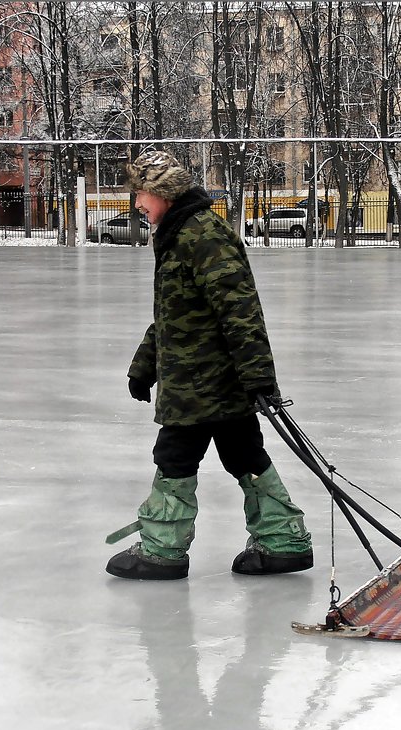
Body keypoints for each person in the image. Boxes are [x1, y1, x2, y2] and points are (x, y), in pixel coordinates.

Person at [105, 150, 313, 581]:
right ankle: (282, 541)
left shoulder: (203, 235)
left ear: (163, 193)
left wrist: (258, 377)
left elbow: (240, 310)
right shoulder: (181, 233)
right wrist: (145, 364)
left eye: (142, 194)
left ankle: (162, 550)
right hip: (204, 374)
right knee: (242, 452)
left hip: (206, 378)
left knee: (176, 455)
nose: (138, 204)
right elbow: (175, 312)